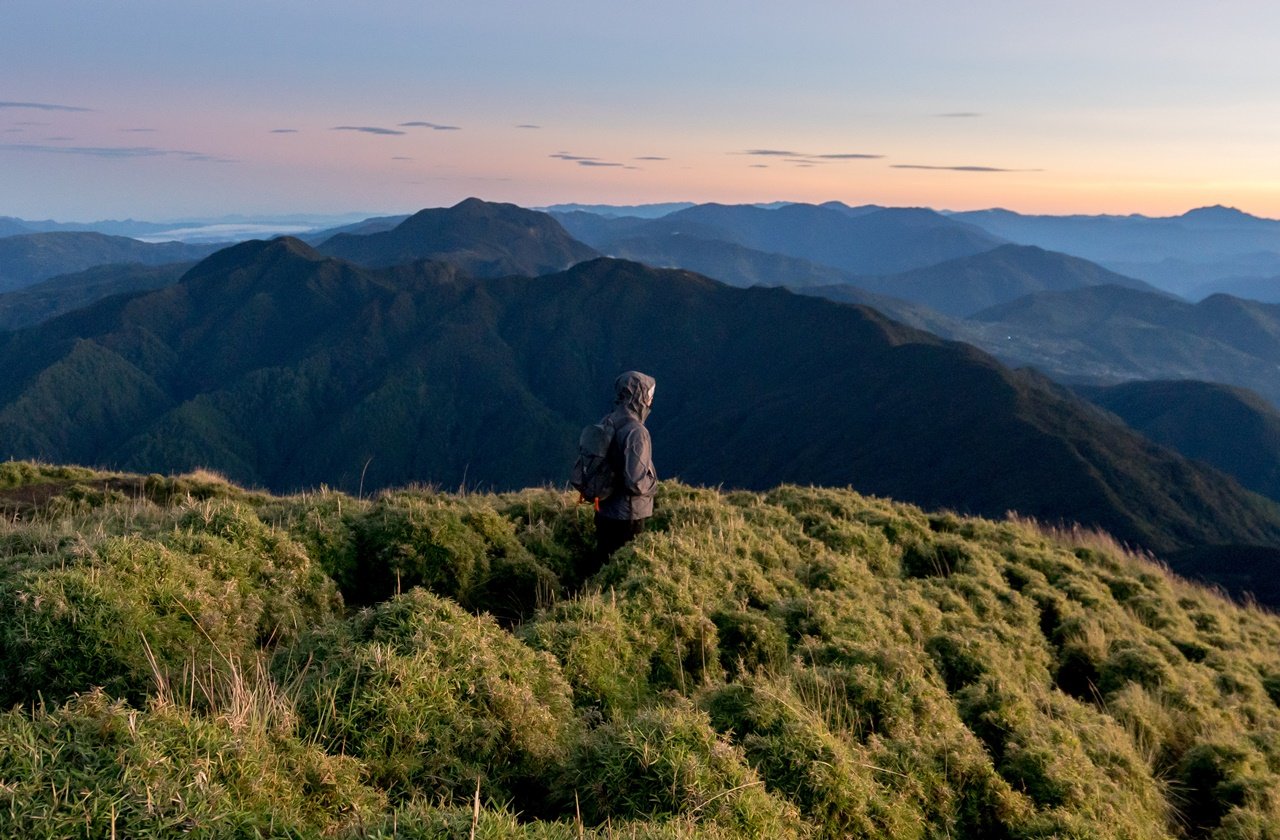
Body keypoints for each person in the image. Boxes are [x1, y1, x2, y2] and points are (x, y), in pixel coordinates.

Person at [594, 370, 658, 563]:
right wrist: (654, 485)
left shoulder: (608, 420)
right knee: (623, 564)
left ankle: (594, 591)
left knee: (604, 560)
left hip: (604, 508)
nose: (650, 400)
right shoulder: (637, 432)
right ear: (639, 396)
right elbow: (636, 482)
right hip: (628, 514)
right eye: (649, 395)